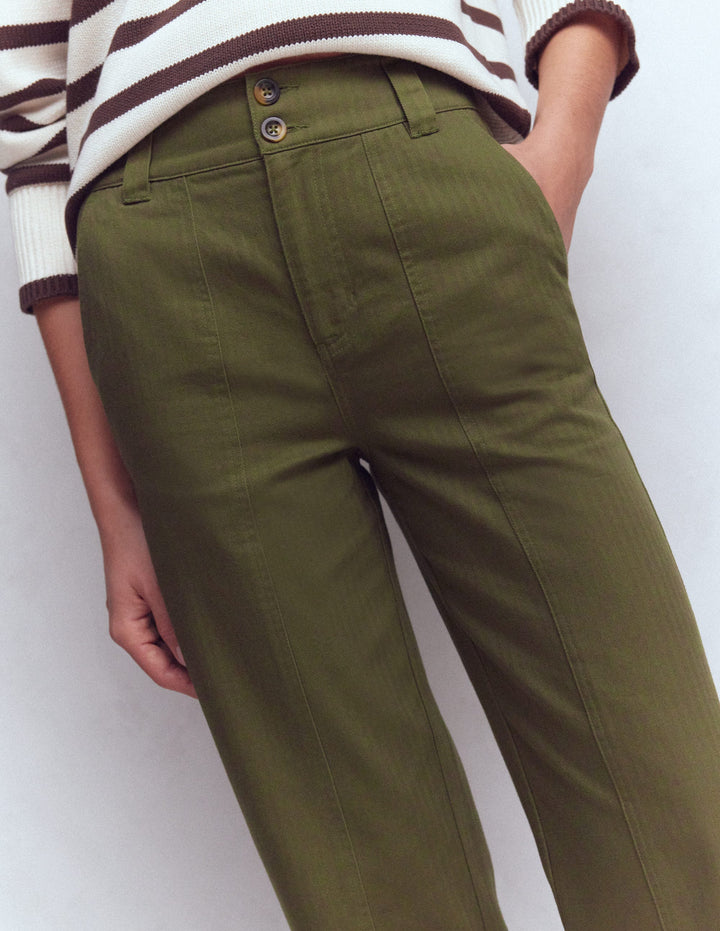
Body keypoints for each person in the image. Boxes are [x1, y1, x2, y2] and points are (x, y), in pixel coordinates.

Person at [2, 3, 719, 928]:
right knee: (365, 885)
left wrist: (559, 163)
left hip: (420, 163)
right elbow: (28, 120)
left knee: (666, 801)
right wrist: (115, 503)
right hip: (166, 269)